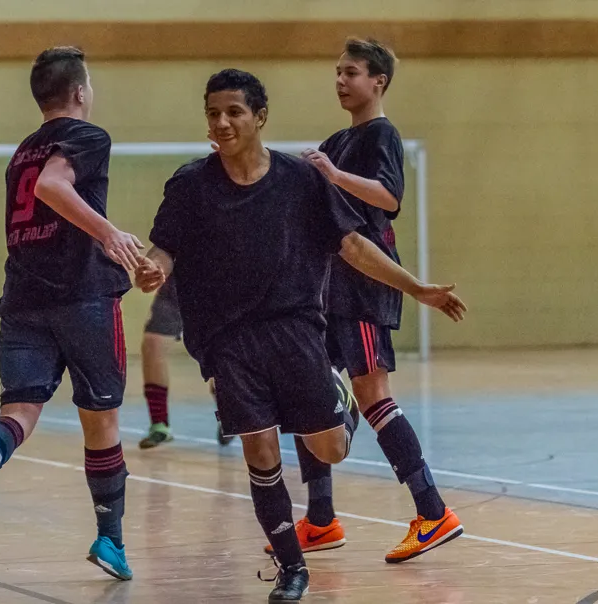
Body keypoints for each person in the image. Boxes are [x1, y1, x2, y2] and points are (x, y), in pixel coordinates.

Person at [134, 68, 466, 601]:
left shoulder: (299, 179)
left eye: (234, 112)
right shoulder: (190, 185)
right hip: (226, 339)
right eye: (213, 113)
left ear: (260, 117)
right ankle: (292, 569)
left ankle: (338, 399)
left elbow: (352, 245)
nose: (222, 123)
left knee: (330, 449)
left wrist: (414, 286)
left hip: (295, 330)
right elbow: (165, 248)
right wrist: (153, 269)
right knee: (260, 448)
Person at [0, 46, 142, 581]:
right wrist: (109, 233)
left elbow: (43, 200)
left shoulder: (22, 152)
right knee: (101, 420)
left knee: (20, 412)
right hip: (82, 299)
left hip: (23, 300)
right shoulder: (87, 136)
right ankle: (110, 539)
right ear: (80, 91)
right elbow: (52, 187)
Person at [273, 37, 464, 564]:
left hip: (363, 285)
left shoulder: (382, 135)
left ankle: (433, 511)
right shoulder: (337, 139)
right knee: (308, 396)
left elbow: (389, 196)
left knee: (373, 394)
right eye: (337, 71)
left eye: (351, 72)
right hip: (327, 289)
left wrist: (333, 175)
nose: (340, 80)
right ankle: (320, 520)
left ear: (378, 81)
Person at [138, 275, 234, 449]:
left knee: (219, 352)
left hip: (219, 284)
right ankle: (159, 424)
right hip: (177, 285)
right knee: (153, 343)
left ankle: (228, 417)